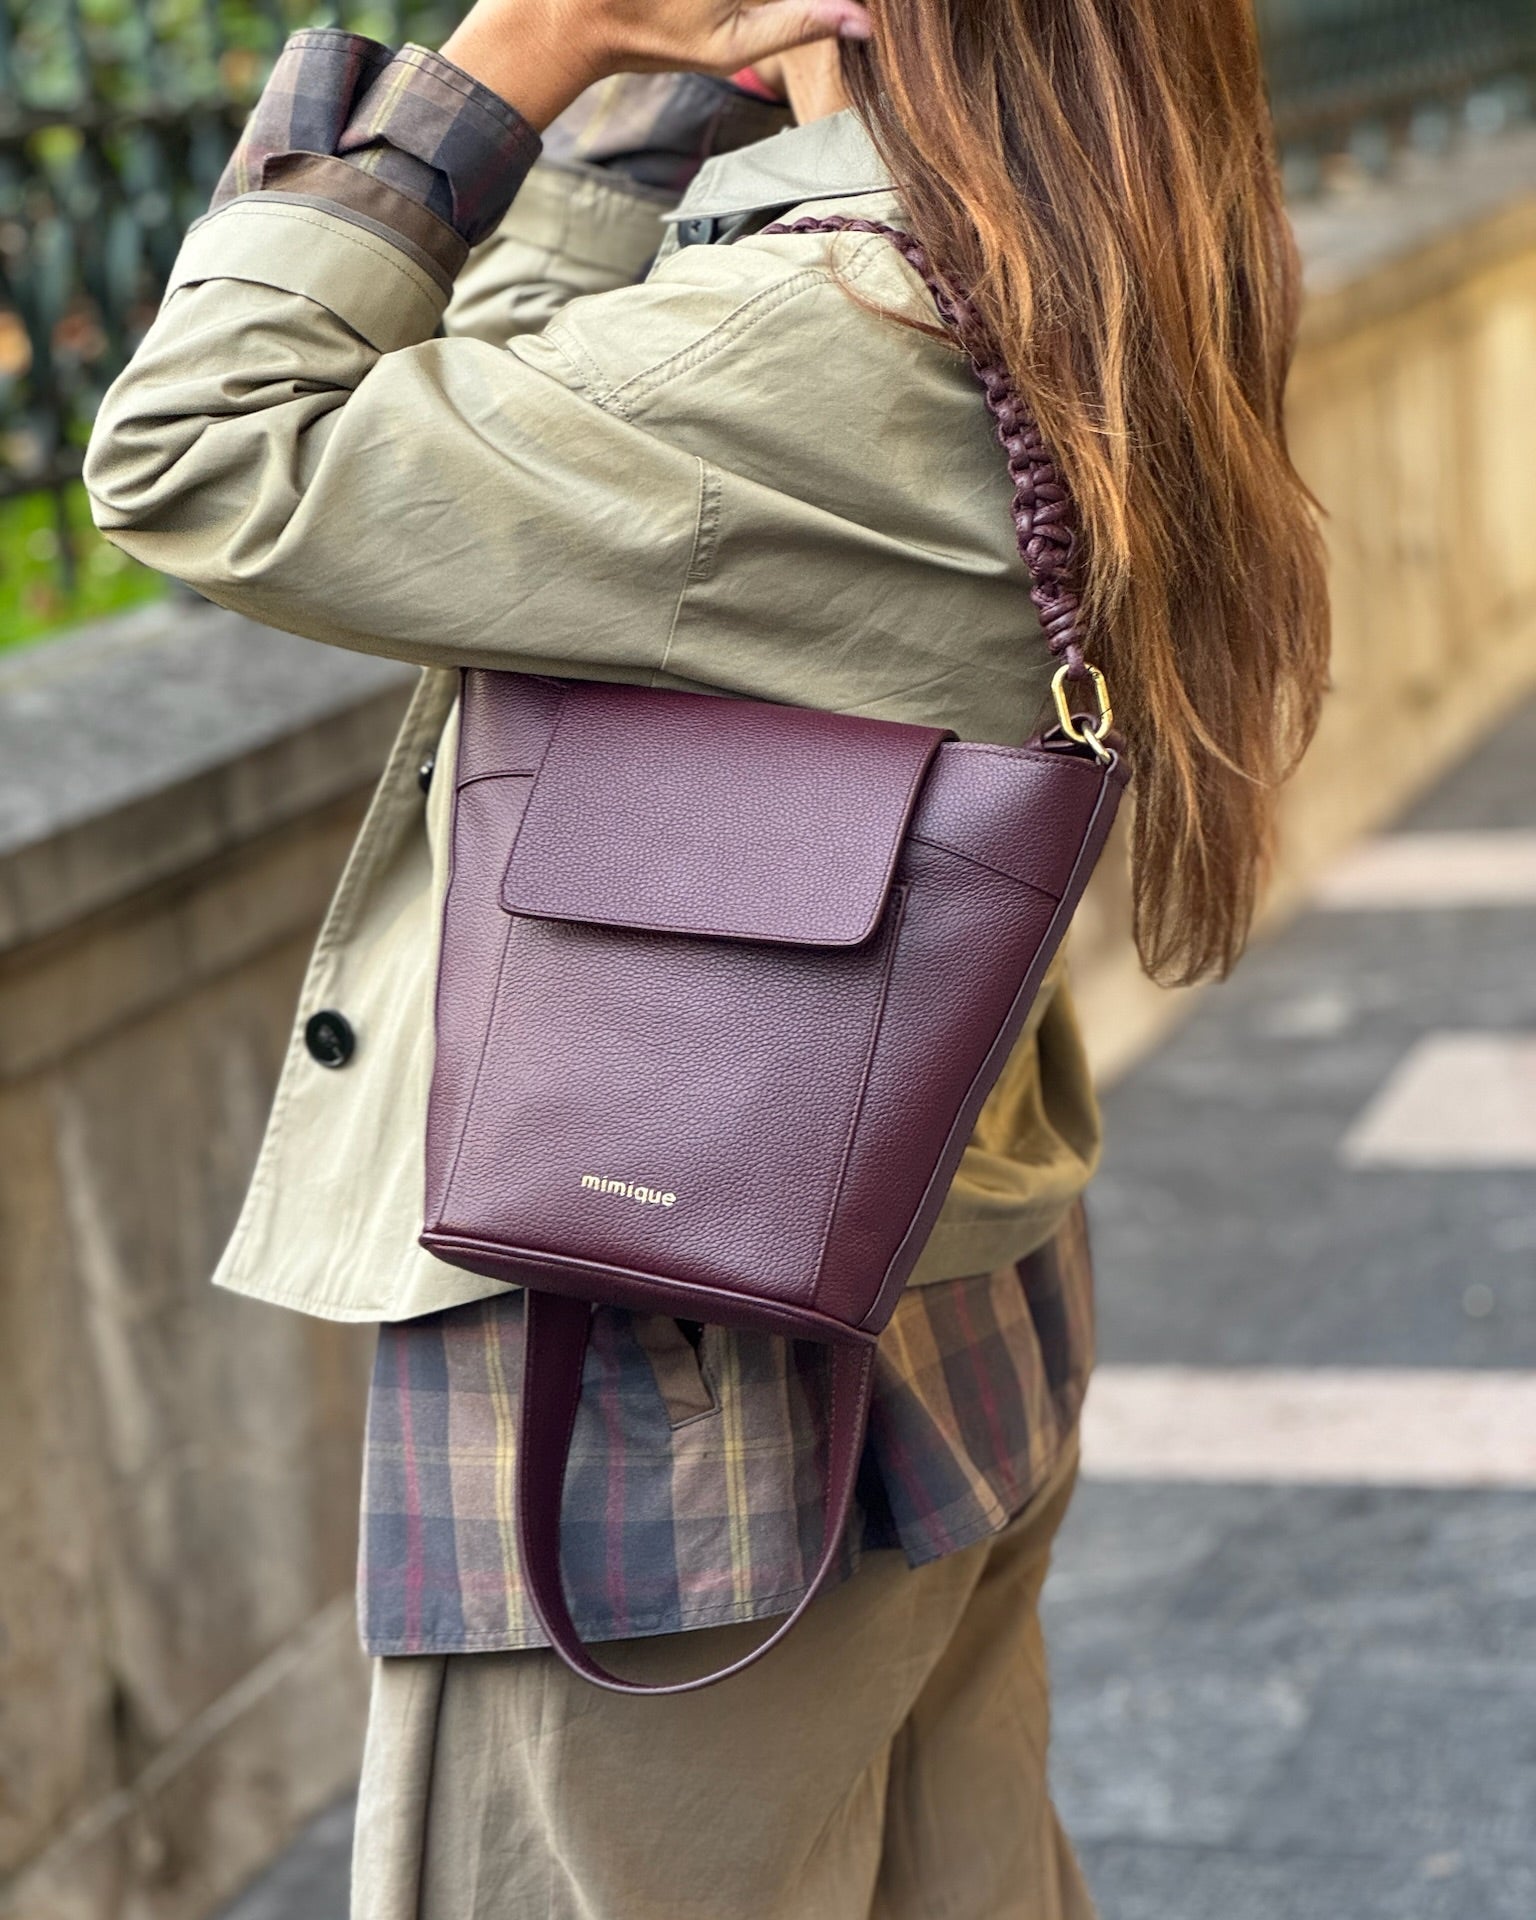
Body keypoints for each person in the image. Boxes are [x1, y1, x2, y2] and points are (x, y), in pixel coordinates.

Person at [84, 0, 1328, 1913]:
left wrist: (518, 57)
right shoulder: (1090, 279)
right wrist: (661, 100)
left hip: (657, 1332)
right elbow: (537, 415)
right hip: (935, 1247)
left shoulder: (806, 328)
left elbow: (192, 454)